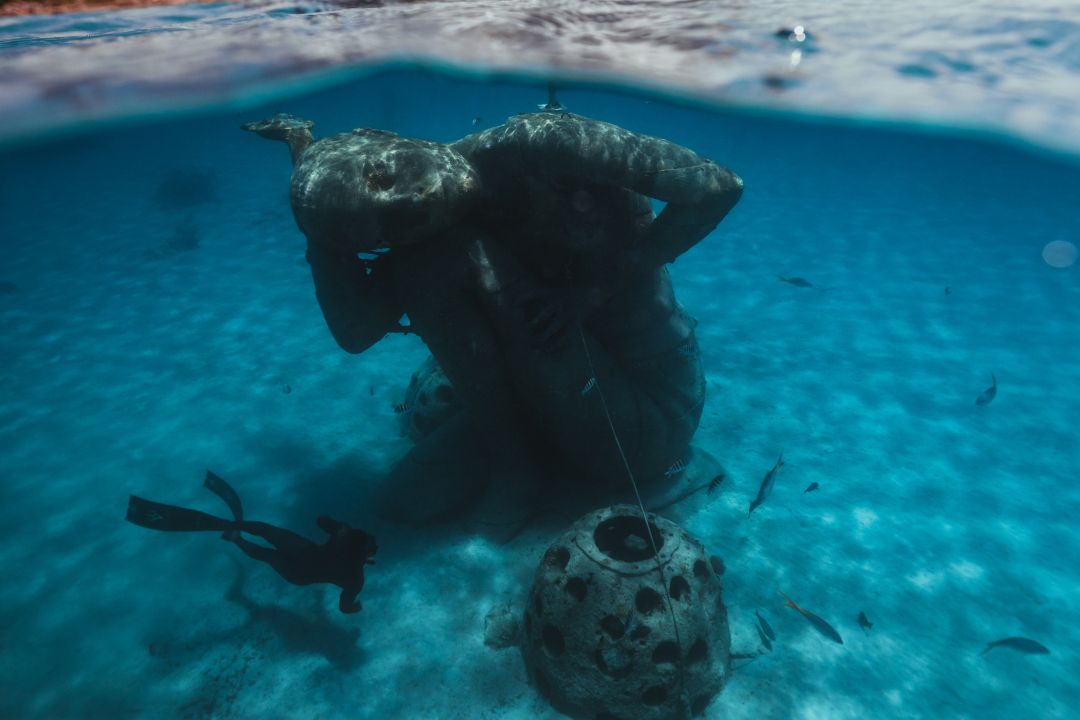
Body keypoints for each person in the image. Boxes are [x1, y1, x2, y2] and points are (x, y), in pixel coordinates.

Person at [243, 104, 742, 524]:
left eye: (383, 176)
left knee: (437, 260)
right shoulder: (422, 226)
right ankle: (516, 460)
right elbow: (355, 330)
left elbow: (718, 185)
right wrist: (313, 195)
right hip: (560, 397)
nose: (410, 204)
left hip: (648, 421)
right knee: (401, 504)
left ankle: (514, 471)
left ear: (382, 138)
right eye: (385, 232)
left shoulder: (538, 144)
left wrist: (591, 292)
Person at [126, 470, 378, 613]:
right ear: (365, 557)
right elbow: (345, 607)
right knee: (264, 550)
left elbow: (320, 519)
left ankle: (233, 530)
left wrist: (337, 528)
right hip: (301, 570)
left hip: (302, 559)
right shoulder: (355, 578)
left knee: (264, 537)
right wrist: (357, 606)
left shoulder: (344, 543)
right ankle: (234, 535)